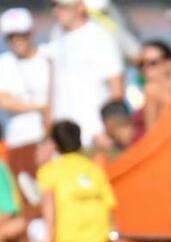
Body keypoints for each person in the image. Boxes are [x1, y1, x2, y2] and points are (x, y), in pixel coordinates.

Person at [47, 0, 124, 148]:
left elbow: (117, 89)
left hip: (94, 135)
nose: (56, 11)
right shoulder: (57, 34)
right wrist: (49, 130)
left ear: (80, 7)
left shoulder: (100, 36)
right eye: (54, 6)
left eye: (63, 7)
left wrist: (107, 131)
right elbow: (53, 87)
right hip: (62, 137)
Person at [34, 120, 116, 242]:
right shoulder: (94, 168)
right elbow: (109, 207)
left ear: (55, 145)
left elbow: (49, 205)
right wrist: (113, 240)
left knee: (34, 227)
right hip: (99, 239)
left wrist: (48, 240)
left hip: (68, 241)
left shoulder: (48, 170)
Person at [0, 7, 51, 179]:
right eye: (10, 37)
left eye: (22, 35)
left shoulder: (49, 56)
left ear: (32, 33)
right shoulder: (5, 62)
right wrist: (42, 106)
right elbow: (3, 101)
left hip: (48, 139)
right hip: (18, 139)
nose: (17, 41)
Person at [134, 39, 171, 140]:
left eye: (153, 63)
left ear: (168, 62)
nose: (146, 68)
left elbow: (152, 133)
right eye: (141, 64)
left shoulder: (151, 89)